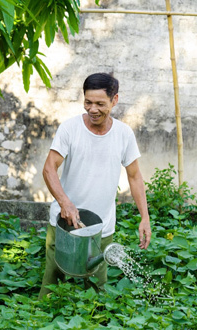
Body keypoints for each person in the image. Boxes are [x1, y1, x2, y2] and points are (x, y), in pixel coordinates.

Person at [38, 73, 151, 299]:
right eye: (88, 102)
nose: (93, 109)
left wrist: (144, 217)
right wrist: (65, 203)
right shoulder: (70, 129)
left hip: (102, 227)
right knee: (51, 287)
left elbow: (135, 176)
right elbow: (49, 169)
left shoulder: (123, 134)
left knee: (97, 292)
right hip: (64, 224)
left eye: (100, 103)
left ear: (114, 100)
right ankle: (40, 326)